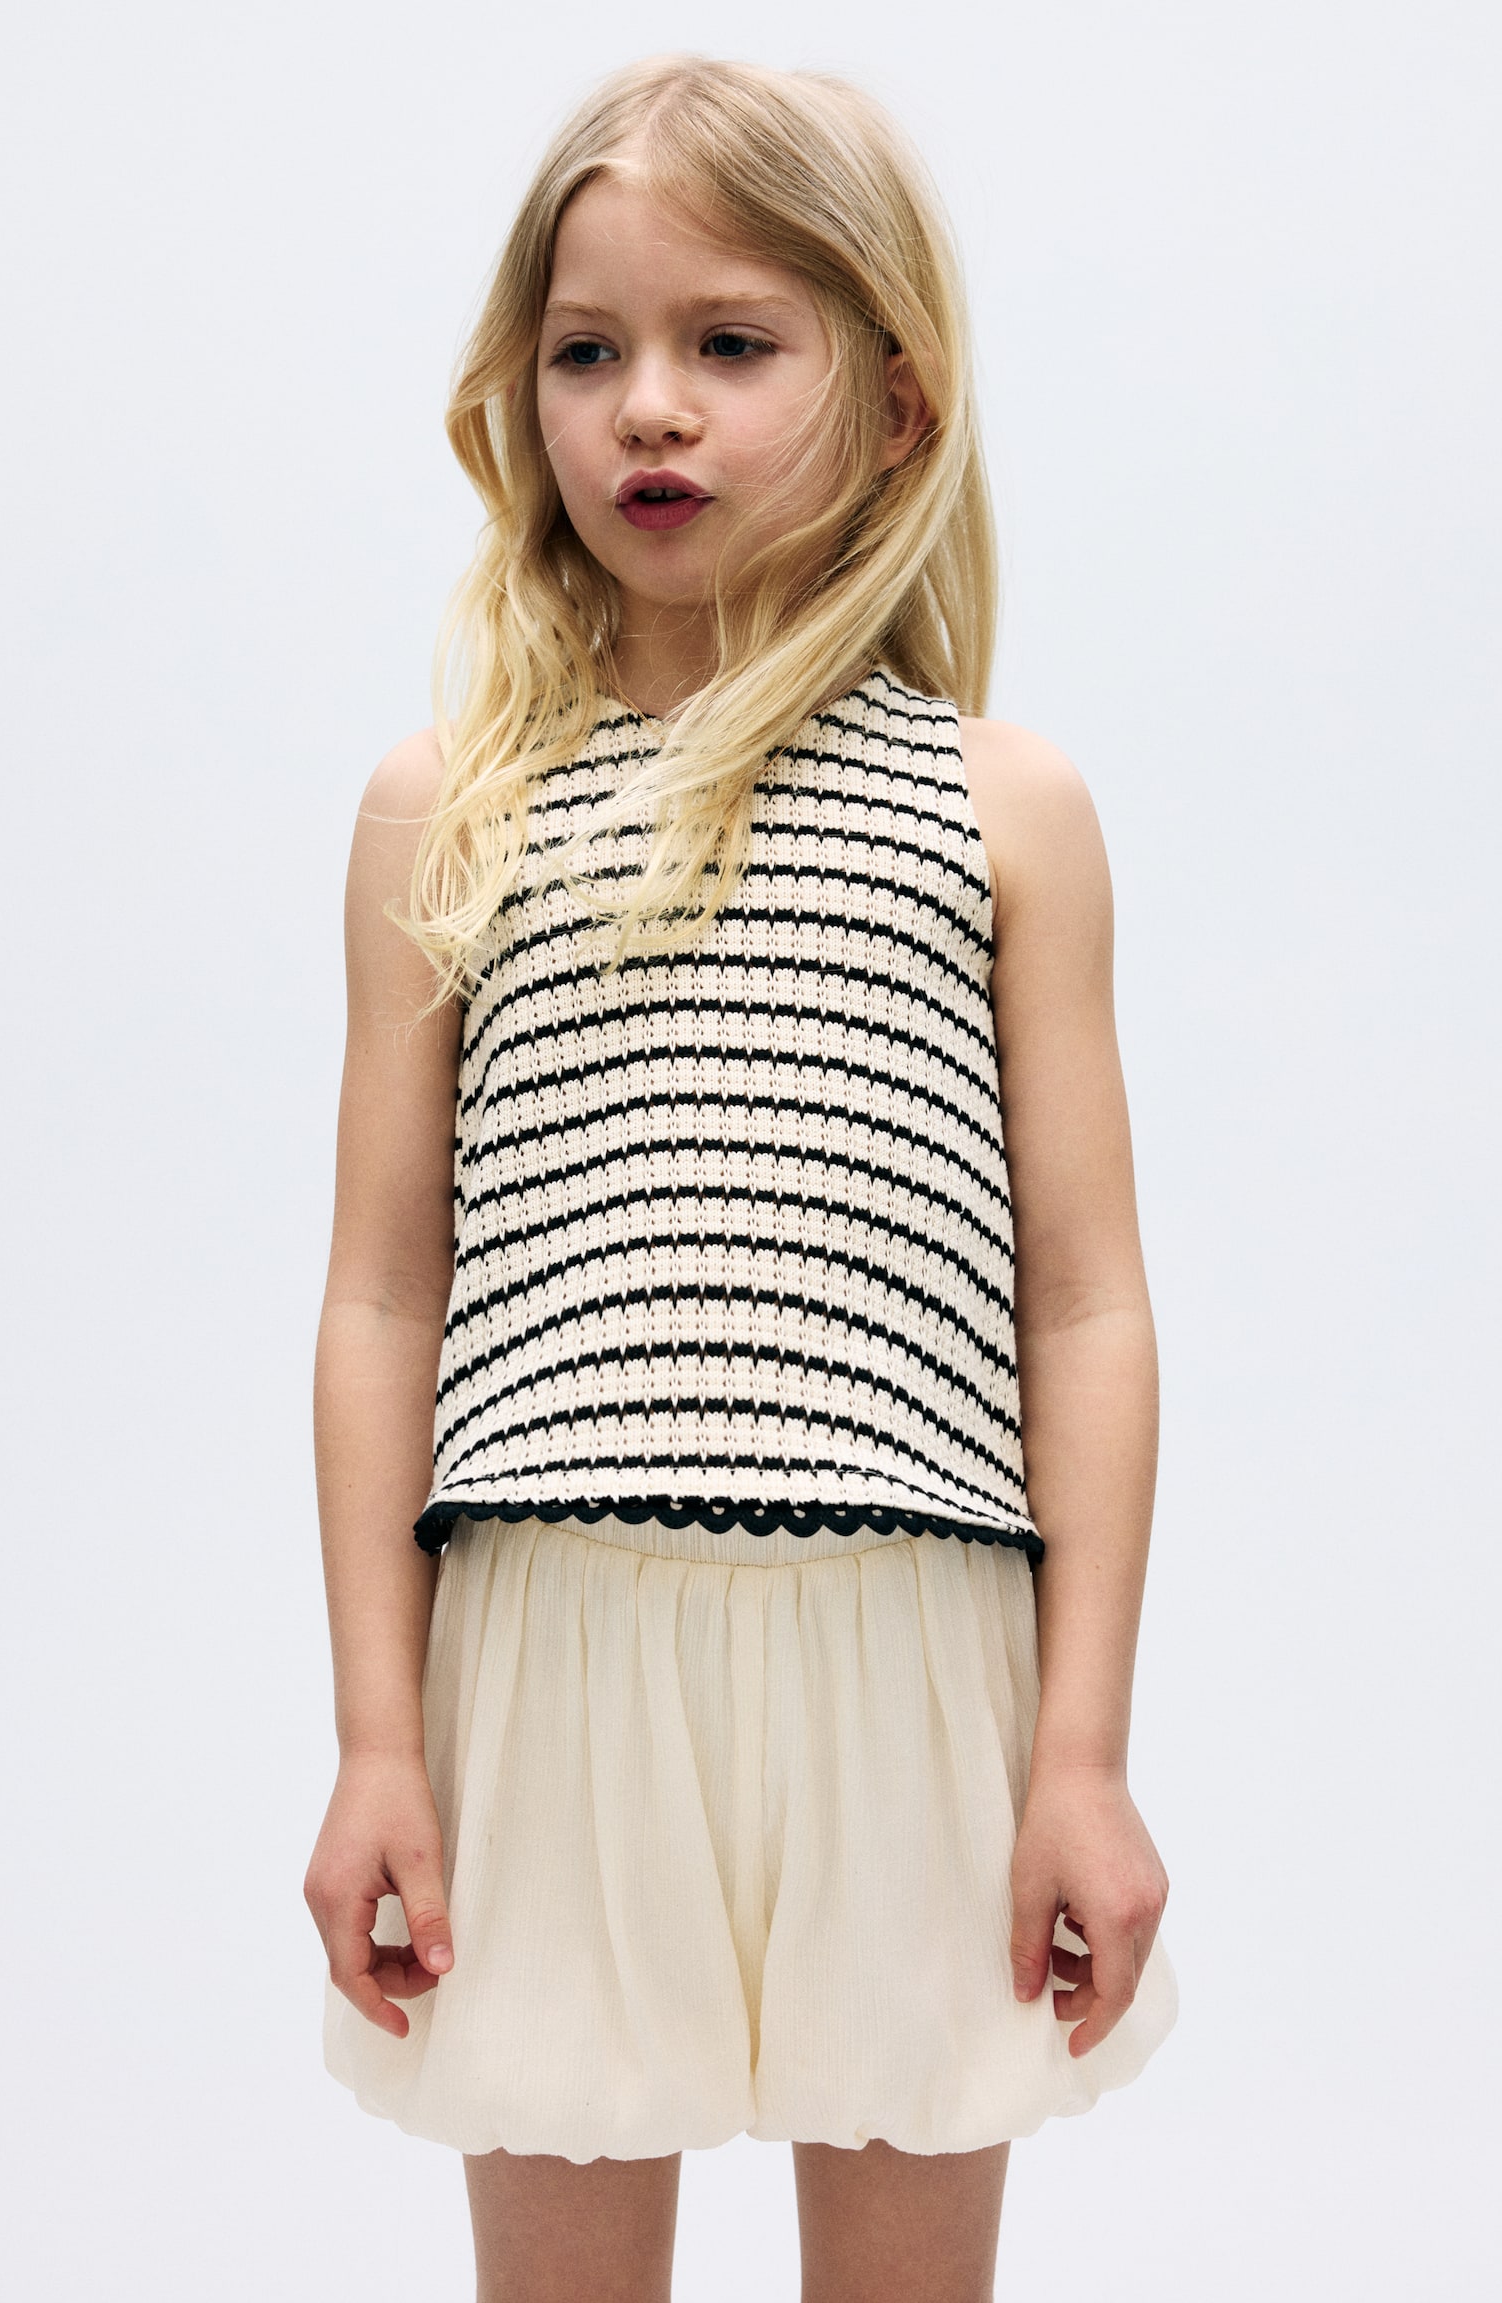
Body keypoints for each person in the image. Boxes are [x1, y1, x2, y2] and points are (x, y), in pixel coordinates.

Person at [304, 50, 1179, 2300]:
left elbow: (1085, 1302)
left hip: (912, 1638)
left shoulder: (1002, 807)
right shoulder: (450, 804)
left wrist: (1080, 1752)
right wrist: (380, 1737)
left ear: (896, 403)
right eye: (587, 352)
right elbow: (384, 1293)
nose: (651, 410)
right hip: (550, 1642)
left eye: (730, 342)